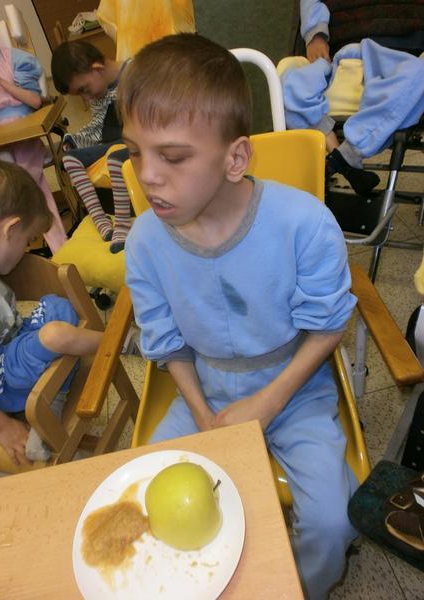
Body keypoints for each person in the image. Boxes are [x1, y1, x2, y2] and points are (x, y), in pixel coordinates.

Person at [119, 32, 359, 599]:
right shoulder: (145, 241)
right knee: (138, 499)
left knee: (333, 521)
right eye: (134, 152)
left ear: (235, 158)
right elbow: (166, 342)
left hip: (295, 389)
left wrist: (268, 402)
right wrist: (204, 414)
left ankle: (299, 588)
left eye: (173, 156)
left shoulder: (304, 223)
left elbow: (328, 324)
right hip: (202, 389)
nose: (147, 175)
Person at [0, 160, 104, 466]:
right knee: (55, 335)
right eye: (27, 241)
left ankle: (54, 393)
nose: (25, 250)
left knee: (56, 305)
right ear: (10, 230)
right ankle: (118, 343)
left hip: (14, 345)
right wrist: (1, 426)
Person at [281, 0, 424, 197]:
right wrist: (315, 35)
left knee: (419, 75)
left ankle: (344, 156)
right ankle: (338, 152)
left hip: (404, 53)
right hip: (341, 53)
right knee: (289, 79)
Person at [0, 9, 67, 254]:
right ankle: (16, 247)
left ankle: (58, 246)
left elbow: (34, 102)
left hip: (25, 136)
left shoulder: (15, 60)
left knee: (24, 185)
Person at [51, 41, 132, 254]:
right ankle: (100, 220)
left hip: (137, 139)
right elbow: (99, 127)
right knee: (70, 158)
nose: (86, 98)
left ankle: (123, 226)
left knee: (114, 158)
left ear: (98, 69)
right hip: (115, 141)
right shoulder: (100, 90)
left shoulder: (135, 75)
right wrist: (75, 140)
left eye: (84, 90)